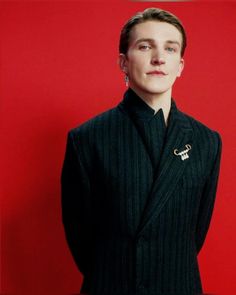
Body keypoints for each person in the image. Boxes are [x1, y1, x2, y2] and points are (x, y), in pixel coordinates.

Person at [61, 7, 222, 295]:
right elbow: (80, 236)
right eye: (145, 46)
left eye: (170, 49)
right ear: (124, 62)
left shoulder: (207, 141)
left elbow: (194, 234)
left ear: (181, 65)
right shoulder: (87, 139)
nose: (159, 57)